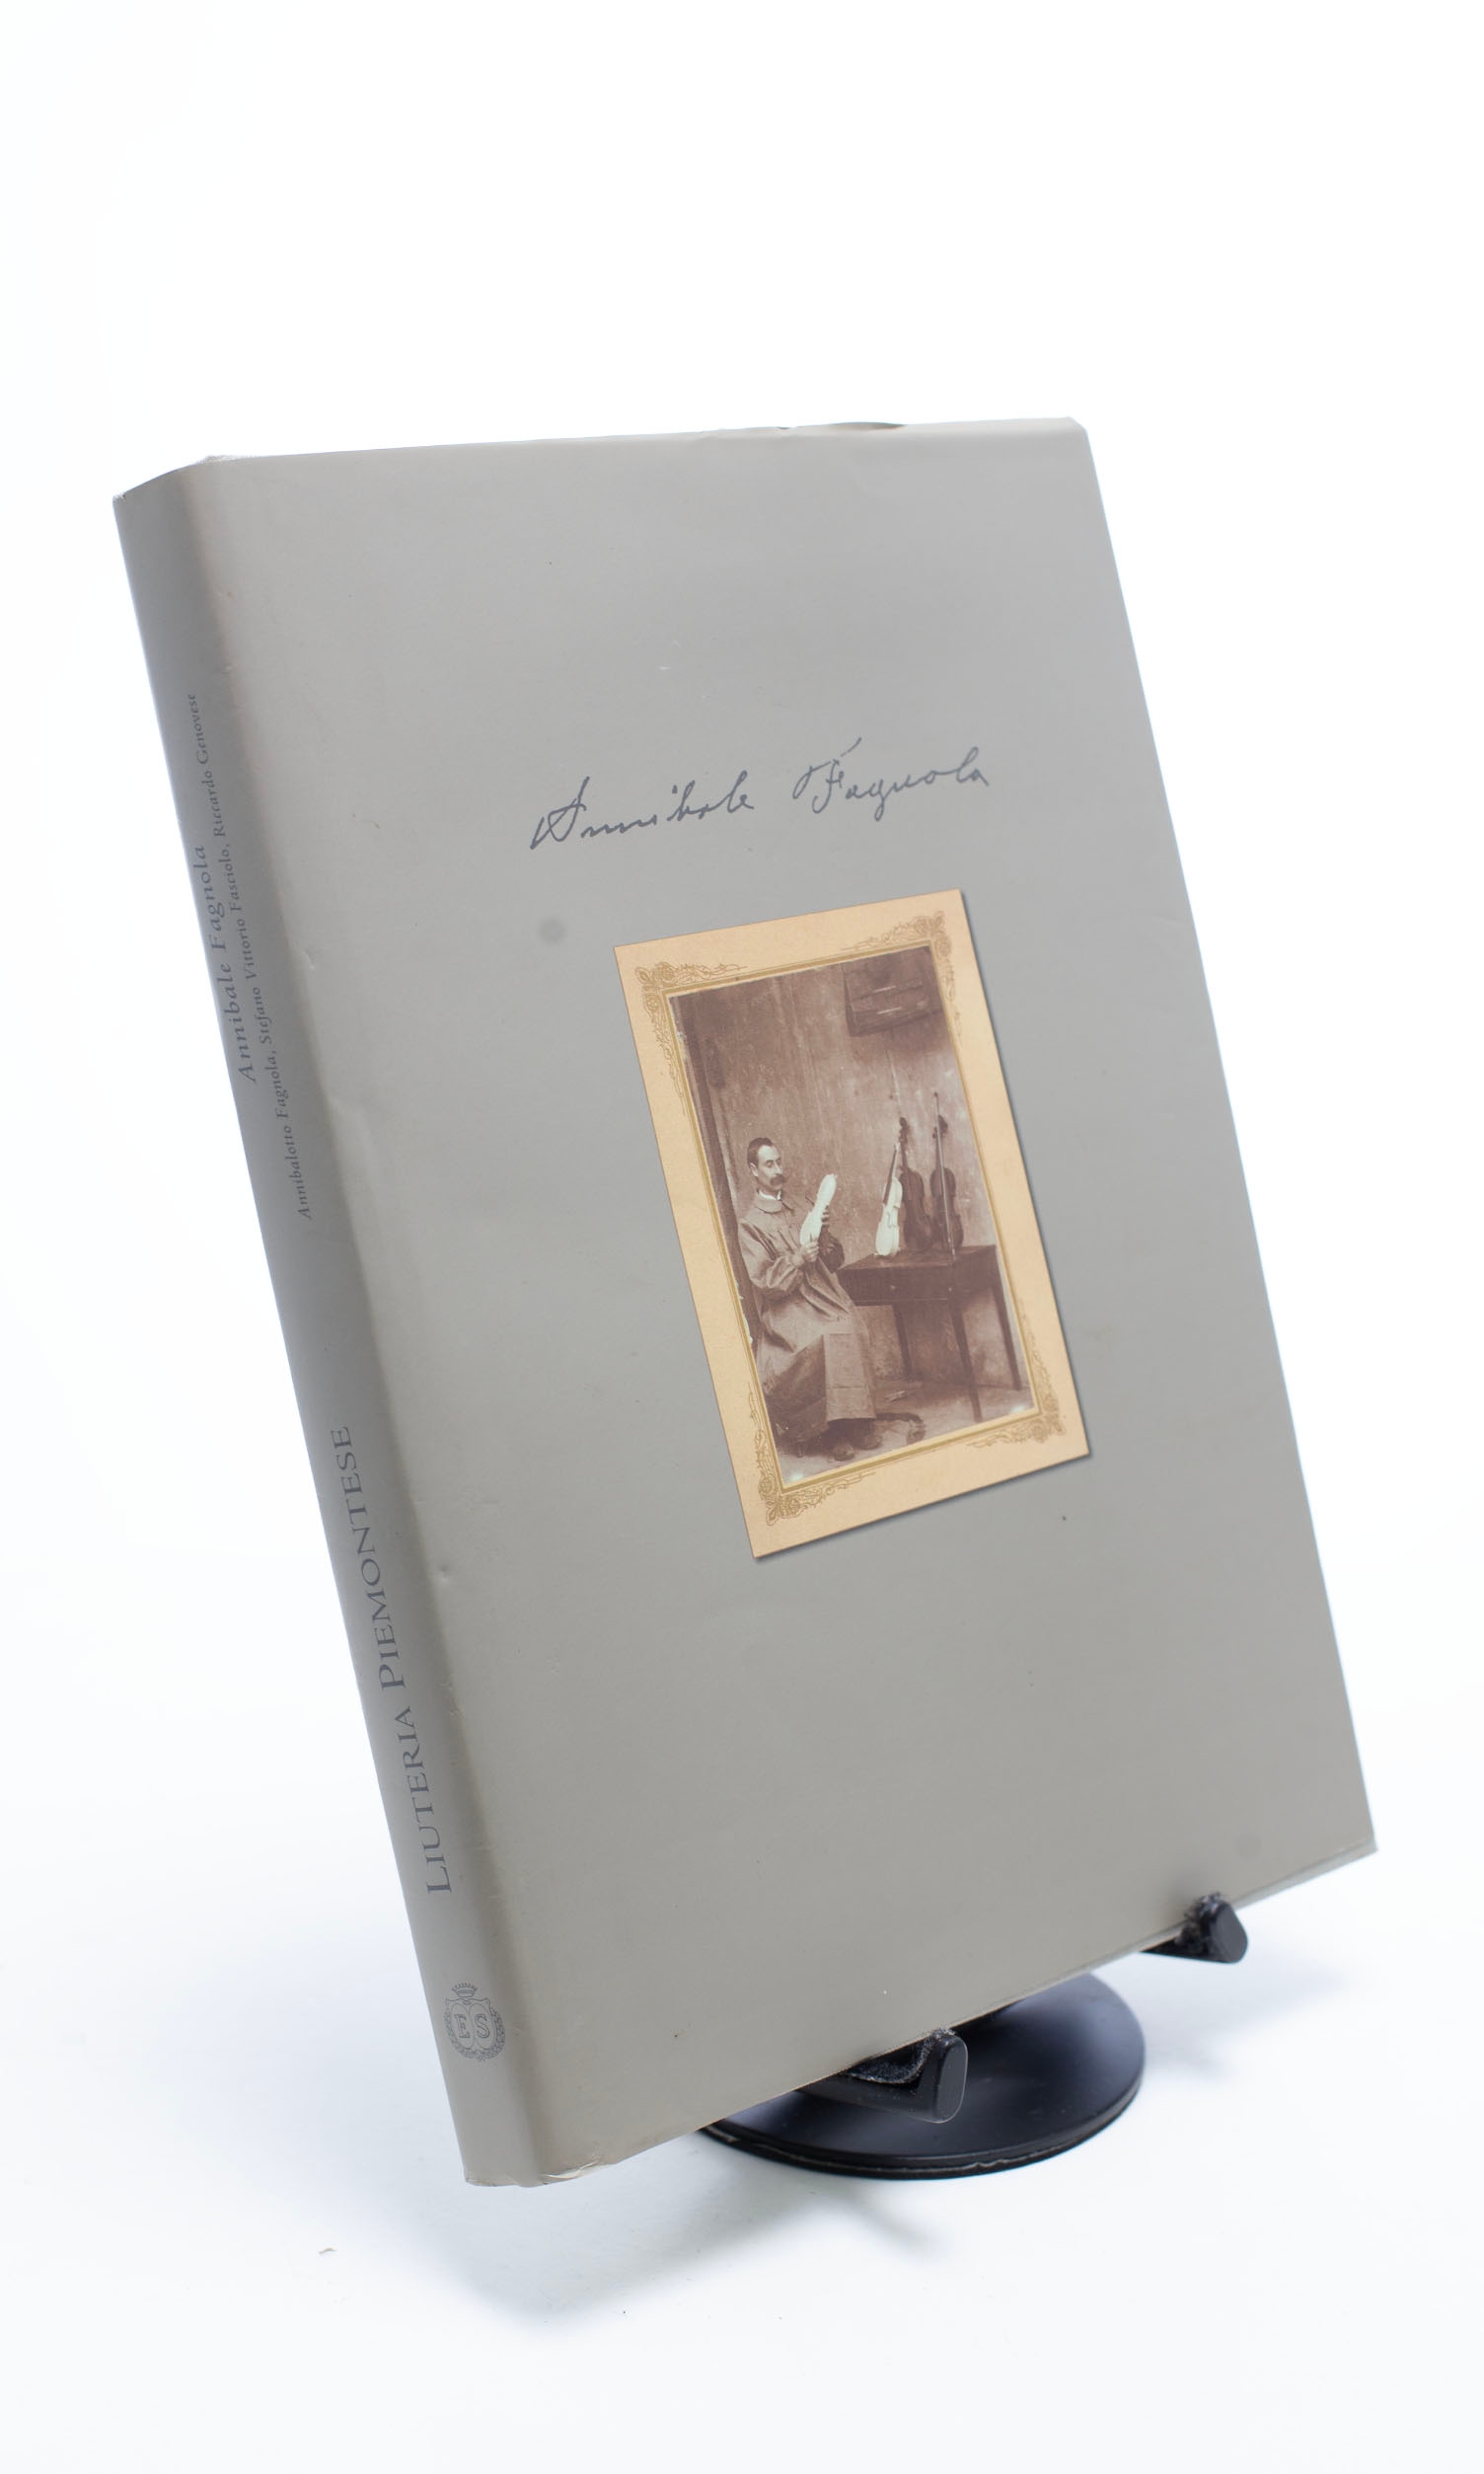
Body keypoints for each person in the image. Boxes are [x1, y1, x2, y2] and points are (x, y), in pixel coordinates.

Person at [735, 1136, 878, 1461]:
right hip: (787, 1306)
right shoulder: (750, 1224)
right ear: (753, 1170)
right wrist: (798, 1258)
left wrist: (824, 1233)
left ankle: (855, 1421)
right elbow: (765, 1281)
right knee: (819, 1337)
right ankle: (831, 1431)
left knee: (848, 1324)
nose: (777, 1170)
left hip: (822, 1294)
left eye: (779, 1162)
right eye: (769, 1164)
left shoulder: (802, 1206)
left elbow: (833, 1261)